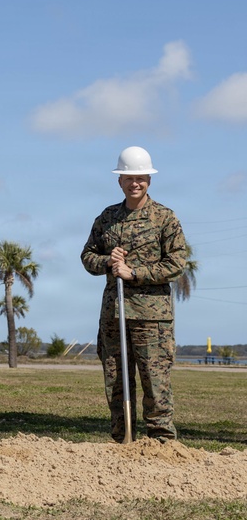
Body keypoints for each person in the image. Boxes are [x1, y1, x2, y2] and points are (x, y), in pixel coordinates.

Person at [81, 146, 187, 442]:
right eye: (129, 178)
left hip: (151, 318)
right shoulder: (107, 217)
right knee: (115, 380)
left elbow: (176, 263)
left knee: (155, 380)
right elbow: (87, 256)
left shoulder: (164, 218)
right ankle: (122, 439)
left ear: (149, 180)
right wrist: (108, 261)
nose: (134, 183)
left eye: (140, 178)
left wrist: (134, 273)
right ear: (120, 181)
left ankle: (161, 441)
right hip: (114, 315)